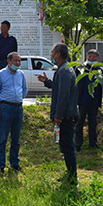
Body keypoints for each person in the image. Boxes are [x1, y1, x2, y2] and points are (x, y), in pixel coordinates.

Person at [37, 43, 79, 184]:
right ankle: (70, 174)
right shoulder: (62, 69)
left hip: (66, 116)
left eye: (52, 52)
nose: (51, 55)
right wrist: (47, 82)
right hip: (65, 115)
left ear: (58, 55)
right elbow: (58, 87)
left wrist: (58, 116)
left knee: (68, 147)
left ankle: (73, 177)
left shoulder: (65, 70)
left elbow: (63, 95)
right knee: (65, 146)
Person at [0, 52, 28, 175]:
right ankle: (1, 165)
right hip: (6, 108)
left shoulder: (21, 74)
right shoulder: (0, 74)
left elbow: (24, 89)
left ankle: (14, 163)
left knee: (16, 138)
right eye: (16, 60)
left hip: (18, 109)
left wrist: (18, 98)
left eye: (19, 60)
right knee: (2, 138)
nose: (18, 63)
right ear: (9, 61)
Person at [75, 49, 103, 151]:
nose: (91, 58)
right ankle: (78, 143)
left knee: (93, 123)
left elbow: (100, 88)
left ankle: (93, 143)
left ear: (97, 58)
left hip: (94, 102)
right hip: (82, 101)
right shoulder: (80, 69)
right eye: (90, 56)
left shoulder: (99, 71)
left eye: (94, 56)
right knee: (79, 123)